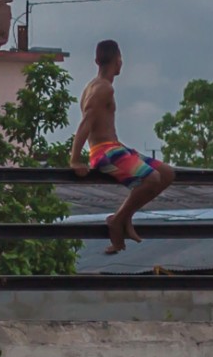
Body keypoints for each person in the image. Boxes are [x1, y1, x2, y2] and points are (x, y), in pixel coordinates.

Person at [68, 39, 174, 254]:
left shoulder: (95, 86)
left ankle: (125, 217)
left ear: (97, 60)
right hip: (103, 153)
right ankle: (117, 221)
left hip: (115, 148)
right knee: (152, 178)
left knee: (167, 173)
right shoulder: (102, 88)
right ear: (118, 62)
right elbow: (86, 123)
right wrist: (75, 159)